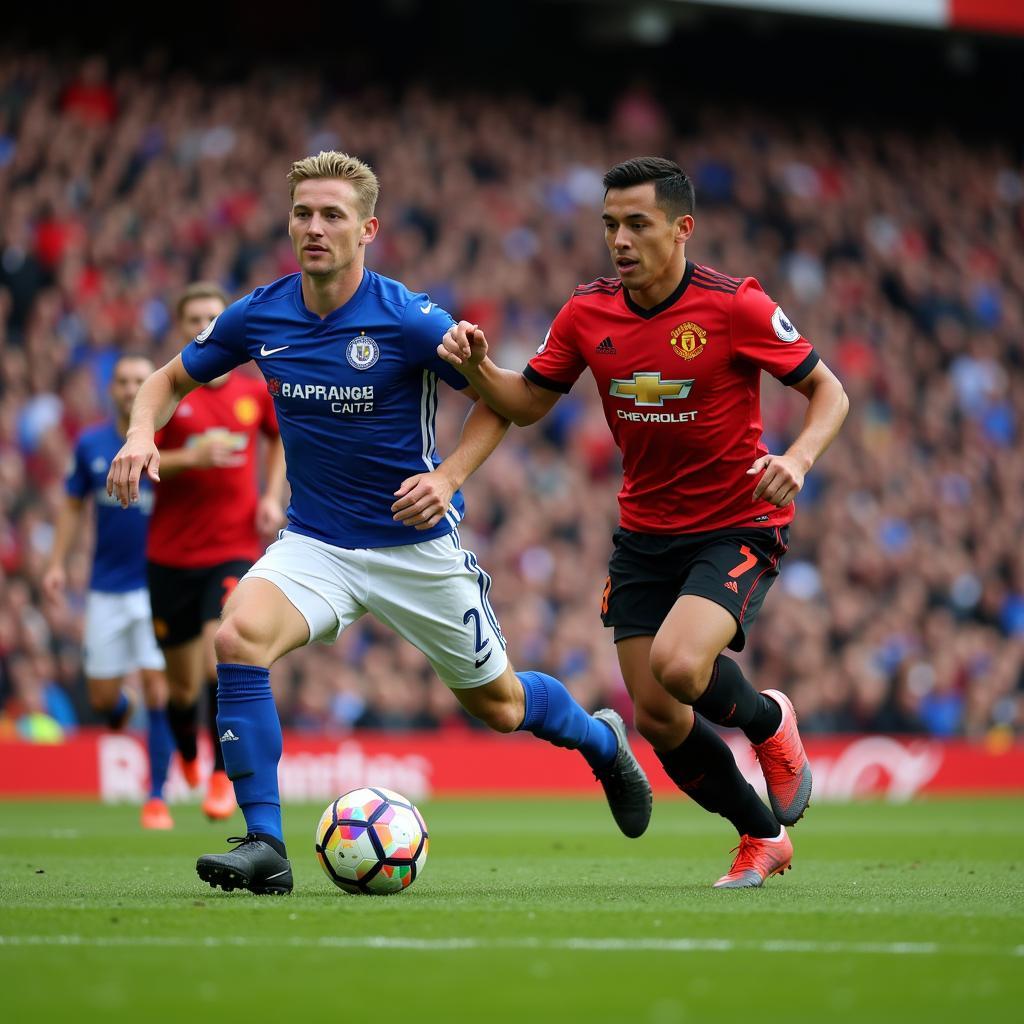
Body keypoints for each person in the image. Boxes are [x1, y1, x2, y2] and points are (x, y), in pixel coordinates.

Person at [108, 151, 651, 895]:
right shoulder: (260, 313)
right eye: (303, 213)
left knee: (499, 706)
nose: (315, 227)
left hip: (414, 548)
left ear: (368, 229)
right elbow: (169, 380)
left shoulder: (407, 318)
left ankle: (601, 741)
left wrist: (449, 476)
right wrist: (142, 434)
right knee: (236, 637)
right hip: (316, 543)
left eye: (332, 215)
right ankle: (265, 843)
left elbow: (506, 402)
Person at [438, 156, 850, 888]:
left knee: (682, 666)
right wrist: (476, 367)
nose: (619, 240)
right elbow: (526, 402)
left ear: (682, 228)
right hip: (645, 535)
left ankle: (766, 722)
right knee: (658, 716)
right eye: (609, 226)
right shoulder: (586, 313)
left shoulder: (737, 306)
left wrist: (802, 457)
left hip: (737, 521)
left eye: (637, 224)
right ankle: (761, 836)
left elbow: (829, 391)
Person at [146, 282, 286, 822]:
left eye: (213, 314)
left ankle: (220, 776)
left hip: (232, 551)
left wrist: (271, 497)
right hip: (170, 557)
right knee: (180, 687)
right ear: (184, 330)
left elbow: (278, 441)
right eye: (195, 316)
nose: (205, 322)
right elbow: (140, 458)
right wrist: (190, 456)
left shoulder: (254, 391)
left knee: (218, 656)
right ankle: (186, 750)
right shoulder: (171, 392)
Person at [43, 353, 175, 830]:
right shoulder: (91, 443)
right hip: (106, 587)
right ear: (111, 389)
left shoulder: (171, 439)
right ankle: (124, 706)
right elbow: (73, 505)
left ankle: (156, 796)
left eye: (140, 380)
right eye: (122, 381)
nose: (129, 387)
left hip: (160, 583)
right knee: (103, 699)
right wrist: (57, 562)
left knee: (159, 687)